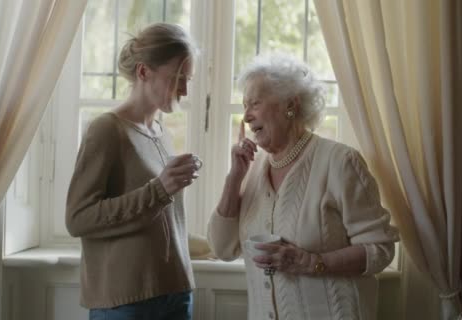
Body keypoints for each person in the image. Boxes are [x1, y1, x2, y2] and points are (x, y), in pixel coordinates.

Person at [207, 53, 400, 320]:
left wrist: (311, 263)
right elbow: (222, 249)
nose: (247, 117)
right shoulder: (253, 170)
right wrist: (234, 178)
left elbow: (380, 249)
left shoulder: (340, 161)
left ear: (291, 105)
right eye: (244, 106)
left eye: (255, 104)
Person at [66, 22, 200, 320]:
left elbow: (161, 221)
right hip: (126, 304)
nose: (185, 90)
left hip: (177, 293)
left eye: (188, 79)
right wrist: (158, 190)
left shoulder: (161, 133)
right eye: (178, 77)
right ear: (143, 72)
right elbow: (78, 219)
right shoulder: (106, 130)